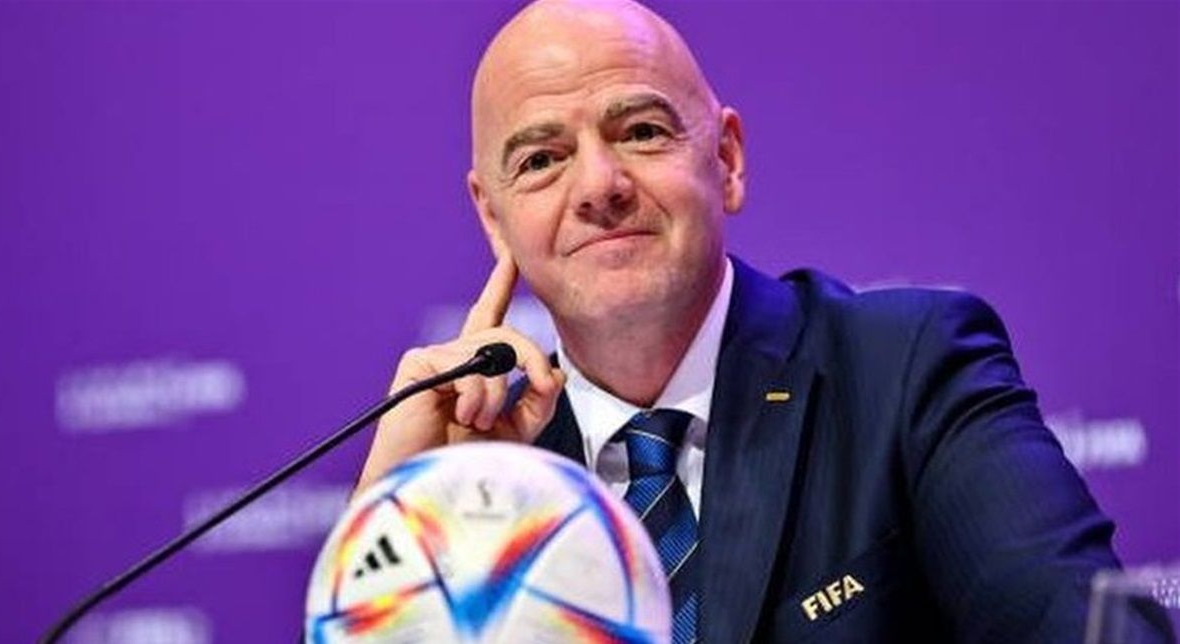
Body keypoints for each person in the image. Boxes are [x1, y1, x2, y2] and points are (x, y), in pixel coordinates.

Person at [355, 0, 1173, 641]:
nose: (599, 185)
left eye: (641, 132)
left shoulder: (906, 373)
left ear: (727, 160)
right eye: (541, 160)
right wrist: (391, 523)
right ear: (494, 218)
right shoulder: (485, 480)